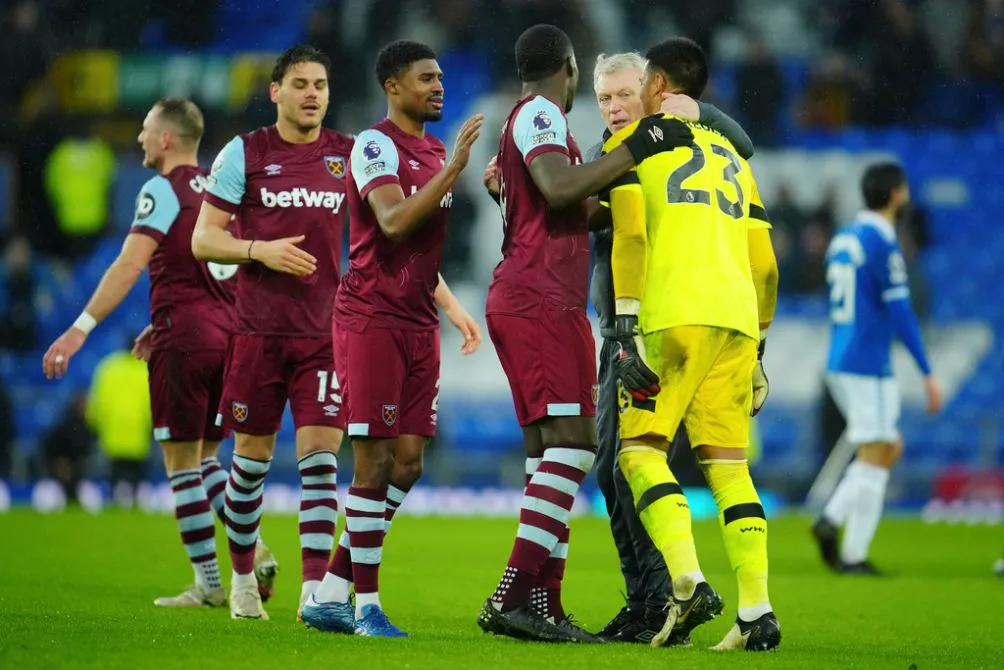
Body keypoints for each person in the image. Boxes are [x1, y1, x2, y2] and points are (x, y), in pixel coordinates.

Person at [475, 24, 693, 643]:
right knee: (573, 448)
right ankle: (511, 596)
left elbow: (575, 207)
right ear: (569, 68)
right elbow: (560, 187)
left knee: (548, 454)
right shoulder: (543, 113)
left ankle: (544, 605)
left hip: (529, 296)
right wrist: (639, 146)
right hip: (542, 299)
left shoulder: (527, 120)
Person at [40, 98, 269, 609]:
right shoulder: (221, 190)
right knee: (208, 457)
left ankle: (210, 583)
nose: (140, 138)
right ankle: (253, 548)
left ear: (167, 138)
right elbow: (223, 271)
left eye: (146, 129)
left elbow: (128, 265)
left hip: (185, 338)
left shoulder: (161, 189)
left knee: (180, 463)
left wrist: (79, 329)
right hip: (228, 335)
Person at [602, 37, 781, 651]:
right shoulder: (734, 156)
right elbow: (766, 266)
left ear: (655, 84)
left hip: (671, 317)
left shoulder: (636, 145)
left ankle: (687, 582)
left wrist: (626, 325)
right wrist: (759, 348)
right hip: (738, 322)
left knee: (640, 453)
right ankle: (756, 612)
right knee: (730, 468)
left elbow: (630, 236)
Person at [301, 39, 483, 639]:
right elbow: (394, 221)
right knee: (374, 460)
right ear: (393, 85)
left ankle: (330, 591)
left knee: (408, 463)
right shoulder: (374, 145)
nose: (438, 86)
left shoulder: (434, 150)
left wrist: (452, 307)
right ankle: (366, 607)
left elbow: (421, 250)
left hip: (417, 320)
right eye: (426, 78)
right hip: (370, 318)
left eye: (441, 77)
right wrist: (455, 170)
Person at [193, 44, 351, 620]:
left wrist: (446, 301)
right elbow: (204, 239)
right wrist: (259, 250)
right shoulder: (246, 151)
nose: (312, 94)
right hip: (257, 334)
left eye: (321, 85)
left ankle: (313, 593)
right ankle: (241, 580)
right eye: (301, 84)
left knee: (321, 465)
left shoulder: (348, 155)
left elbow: (391, 230)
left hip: (324, 336)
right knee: (249, 467)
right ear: (275, 92)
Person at [813, 162, 942, 574]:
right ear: (896, 195)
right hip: (868, 361)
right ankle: (848, 545)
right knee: (878, 450)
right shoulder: (883, 242)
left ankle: (835, 524)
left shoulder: (844, 237)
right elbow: (901, 311)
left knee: (887, 446)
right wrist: (926, 371)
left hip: (841, 356)